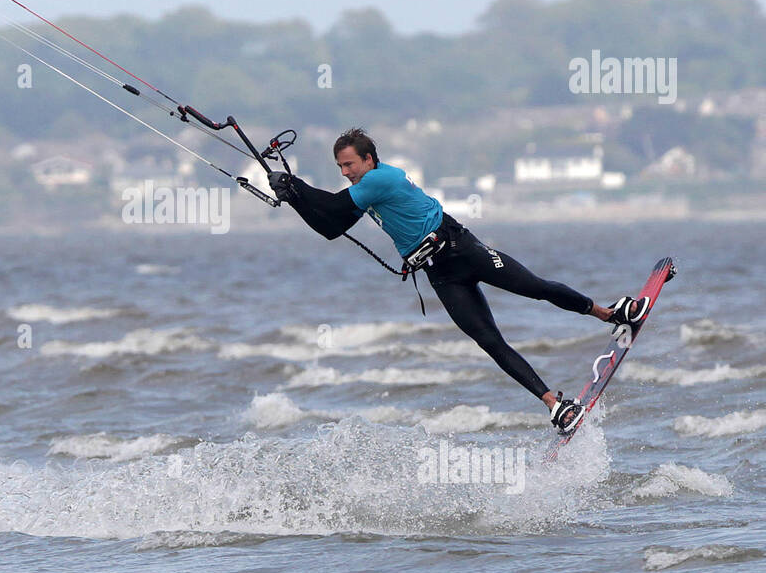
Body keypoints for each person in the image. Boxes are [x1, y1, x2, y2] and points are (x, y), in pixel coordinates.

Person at [267, 127, 647, 435]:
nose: (346, 172)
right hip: (441, 273)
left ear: (368, 159)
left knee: (536, 288)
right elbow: (330, 228)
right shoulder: (365, 194)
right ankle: (555, 405)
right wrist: (293, 198)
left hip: (464, 249)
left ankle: (608, 313)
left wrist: (294, 184)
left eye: (349, 164)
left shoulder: (382, 179)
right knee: (489, 341)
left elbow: (333, 206)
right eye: (340, 168)